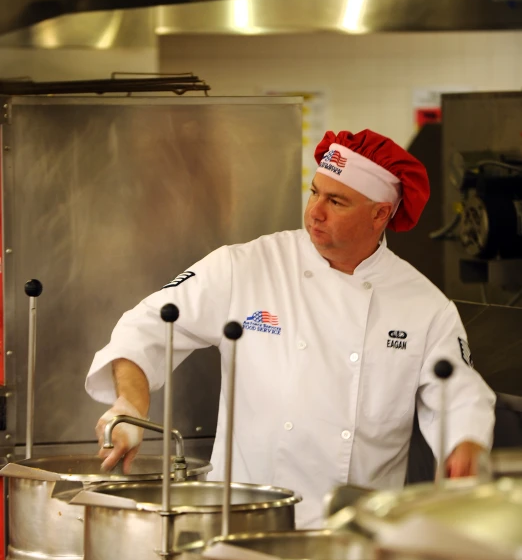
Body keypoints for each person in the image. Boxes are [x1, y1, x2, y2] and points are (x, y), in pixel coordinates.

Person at [86, 128, 496, 528]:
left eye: (337, 201)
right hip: (244, 523)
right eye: (315, 192)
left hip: (352, 537)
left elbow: (460, 394)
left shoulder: (424, 306)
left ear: (380, 214)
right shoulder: (246, 266)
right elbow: (150, 324)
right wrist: (131, 405)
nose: (315, 212)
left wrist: (465, 444)